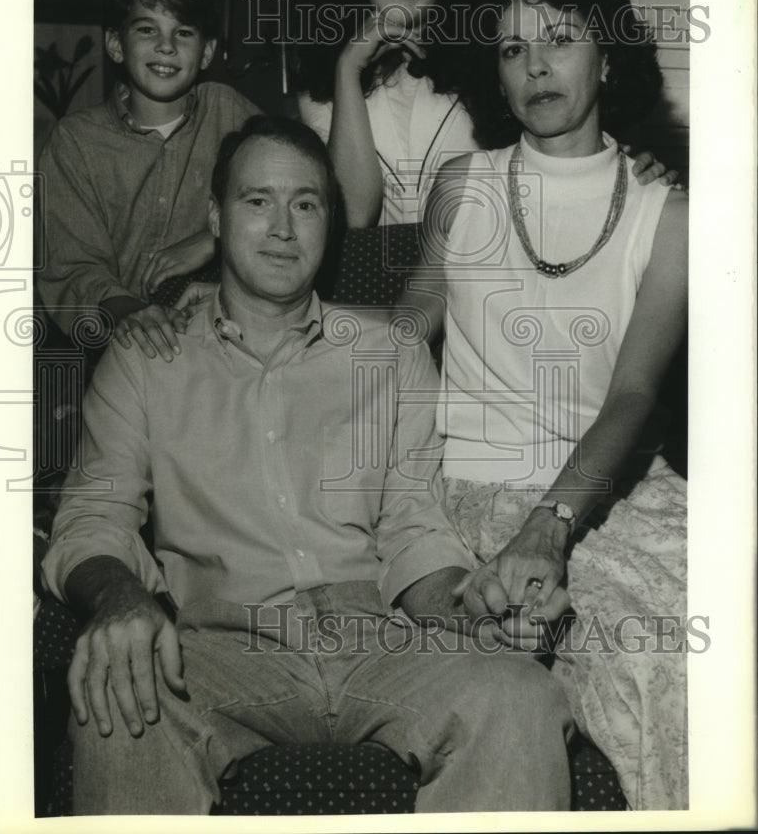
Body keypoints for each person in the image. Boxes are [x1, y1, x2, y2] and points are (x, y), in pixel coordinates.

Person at [41, 115, 574, 815]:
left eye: (306, 203)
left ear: (329, 224)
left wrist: (475, 614)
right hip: (221, 647)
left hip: (380, 641)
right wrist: (119, 598)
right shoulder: (146, 361)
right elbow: (92, 520)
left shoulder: (389, 354)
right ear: (215, 216)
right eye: (257, 201)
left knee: (520, 696)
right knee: (118, 703)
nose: (283, 228)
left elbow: (414, 533)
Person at [399, 0, 689, 810]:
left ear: (607, 57)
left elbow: (634, 396)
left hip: (608, 496)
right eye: (510, 47)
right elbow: (412, 319)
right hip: (477, 492)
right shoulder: (462, 184)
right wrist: (267, 302)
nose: (534, 65)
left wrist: (551, 524)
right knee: (649, 660)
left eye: (559, 40)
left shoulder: (666, 210)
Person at [296, 0, 676, 229]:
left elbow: (564, 154)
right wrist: (347, 69)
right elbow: (354, 216)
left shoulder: (492, 66)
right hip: (365, 283)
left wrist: (633, 168)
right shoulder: (321, 87)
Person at [36, 0, 260, 347]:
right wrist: (130, 313)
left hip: (220, 335)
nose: (166, 46)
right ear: (115, 44)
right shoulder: (74, 142)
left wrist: (217, 235)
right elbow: (73, 269)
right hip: (114, 341)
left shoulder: (229, 111)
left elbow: (292, 192)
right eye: (146, 29)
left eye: (184, 33)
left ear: (206, 53)